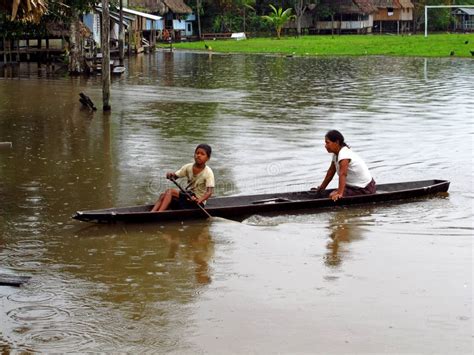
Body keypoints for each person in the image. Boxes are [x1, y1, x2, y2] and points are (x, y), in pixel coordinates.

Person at [312, 130, 376, 201]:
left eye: (328, 143)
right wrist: (321, 188)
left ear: (337, 142)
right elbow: (330, 172)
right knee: (332, 194)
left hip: (365, 189)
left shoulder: (344, 154)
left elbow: (343, 174)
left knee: (332, 195)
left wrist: (339, 194)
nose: (325, 146)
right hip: (352, 186)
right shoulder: (336, 154)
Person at [151, 144, 215, 212]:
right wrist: (170, 175)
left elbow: (209, 192)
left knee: (170, 191)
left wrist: (200, 200)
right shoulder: (188, 167)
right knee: (163, 195)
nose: (198, 155)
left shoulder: (208, 172)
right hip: (188, 196)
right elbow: (175, 177)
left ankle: (159, 213)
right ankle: (152, 212)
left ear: (208, 158)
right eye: (197, 153)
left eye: (202, 154)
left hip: (197, 203)